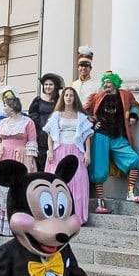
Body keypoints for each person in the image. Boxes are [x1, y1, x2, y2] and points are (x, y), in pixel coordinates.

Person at [84, 71, 139, 212]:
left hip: (118, 136)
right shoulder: (97, 97)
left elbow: (135, 106)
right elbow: (85, 111)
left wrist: (134, 116)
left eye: (108, 82)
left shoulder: (125, 95)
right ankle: (100, 202)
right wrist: (93, 122)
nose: (105, 84)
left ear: (115, 83)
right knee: (98, 170)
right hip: (100, 136)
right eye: (104, 82)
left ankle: (130, 193)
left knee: (134, 160)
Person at [0, 97, 38, 236]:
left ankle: (15, 223)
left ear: (13, 106)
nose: (4, 108)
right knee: (0, 187)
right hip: (2, 157)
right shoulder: (2, 123)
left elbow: (32, 142)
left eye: (6, 106)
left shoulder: (27, 122)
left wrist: (30, 162)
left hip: (19, 158)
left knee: (16, 188)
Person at [44, 87, 93, 224]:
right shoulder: (56, 115)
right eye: (66, 95)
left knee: (77, 180)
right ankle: (57, 214)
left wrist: (87, 152)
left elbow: (87, 135)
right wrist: (51, 151)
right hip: (59, 150)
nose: (68, 97)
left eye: (71, 95)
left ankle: (76, 216)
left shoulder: (81, 116)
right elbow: (50, 135)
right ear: (63, 98)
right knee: (58, 181)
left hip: (76, 151)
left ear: (74, 98)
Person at [28, 73, 64, 170]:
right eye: (46, 84)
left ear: (55, 86)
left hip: (55, 136)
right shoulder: (38, 101)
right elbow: (32, 118)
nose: (48, 87)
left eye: (50, 84)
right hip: (40, 136)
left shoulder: (59, 103)